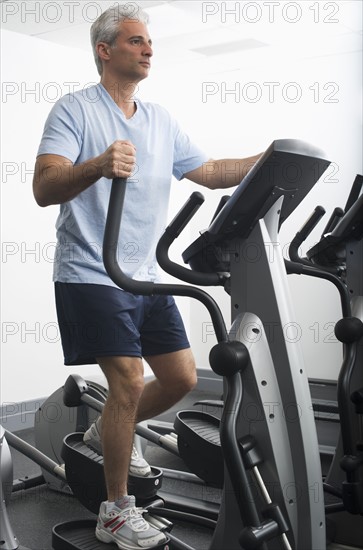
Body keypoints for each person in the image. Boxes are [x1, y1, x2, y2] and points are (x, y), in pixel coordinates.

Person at [33, 4, 262, 549]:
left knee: (181, 378)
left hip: (143, 274)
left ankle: (107, 430)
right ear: (105, 50)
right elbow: (44, 188)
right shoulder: (74, 110)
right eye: (136, 41)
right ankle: (114, 513)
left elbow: (206, 172)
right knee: (129, 382)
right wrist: (96, 165)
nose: (149, 48)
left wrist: (269, 158)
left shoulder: (159, 118)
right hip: (92, 270)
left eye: (150, 42)